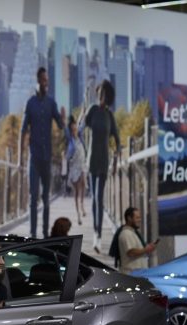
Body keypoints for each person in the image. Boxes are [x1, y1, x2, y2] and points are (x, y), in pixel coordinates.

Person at [21, 67, 65, 239]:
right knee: (33, 198)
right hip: (34, 158)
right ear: (38, 81)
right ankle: (32, 234)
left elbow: (61, 126)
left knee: (46, 199)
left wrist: (62, 117)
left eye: (47, 80)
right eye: (44, 80)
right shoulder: (30, 103)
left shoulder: (51, 103)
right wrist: (19, 158)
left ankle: (45, 234)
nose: (46, 83)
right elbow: (23, 130)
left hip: (47, 158)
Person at [82, 80, 121, 253]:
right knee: (94, 199)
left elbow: (118, 141)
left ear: (108, 96)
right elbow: (80, 127)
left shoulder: (110, 116)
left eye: (105, 94)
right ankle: (95, 232)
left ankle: (98, 236)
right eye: (100, 94)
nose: (102, 97)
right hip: (92, 160)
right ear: (98, 94)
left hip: (104, 161)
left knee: (99, 197)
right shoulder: (92, 110)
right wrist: (83, 109)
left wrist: (116, 161)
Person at [117, 206, 156, 274]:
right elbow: (131, 252)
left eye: (140, 217)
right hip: (131, 275)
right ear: (129, 218)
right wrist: (146, 249)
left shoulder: (132, 233)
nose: (140, 220)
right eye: (137, 218)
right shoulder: (126, 234)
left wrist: (146, 249)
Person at [65, 114, 87, 225]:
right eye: (73, 129)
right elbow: (68, 156)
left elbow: (82, 124)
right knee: (77, 191)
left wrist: (83, 113)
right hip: (74, 167)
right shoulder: (71, 141)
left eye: (75, 128)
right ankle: (78, 214)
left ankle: (82, 205)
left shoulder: (80, 137)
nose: (75, 130)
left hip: (82, 165)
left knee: (83, 184)